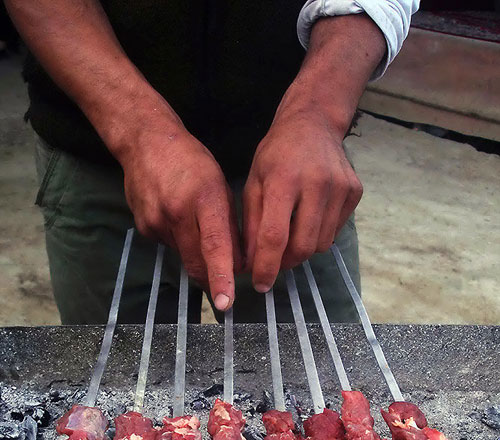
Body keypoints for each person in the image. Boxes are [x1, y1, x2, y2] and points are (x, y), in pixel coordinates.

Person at [5, 1, 418, 324]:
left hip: (295, 173)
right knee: (110, 394)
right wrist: (138, 130)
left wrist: (320, 109)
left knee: (321, 396)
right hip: (95, 153)